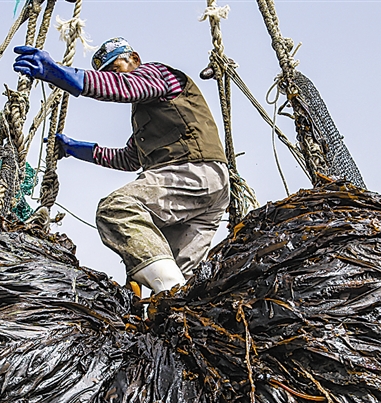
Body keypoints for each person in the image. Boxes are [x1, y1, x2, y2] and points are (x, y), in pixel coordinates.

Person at [13, 37, 230, 293]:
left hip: (192, 173)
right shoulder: (152, 113)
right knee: (178, 277)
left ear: (135, 59)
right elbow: (128, 158)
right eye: (105, 74)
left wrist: (62, 75)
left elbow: (124, 87)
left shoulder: (158, 74)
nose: (111, 77)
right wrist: (76, 149)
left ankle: (171, 295)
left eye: (115, 69)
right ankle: (178, 310)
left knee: (117, 208)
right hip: (208, 190)